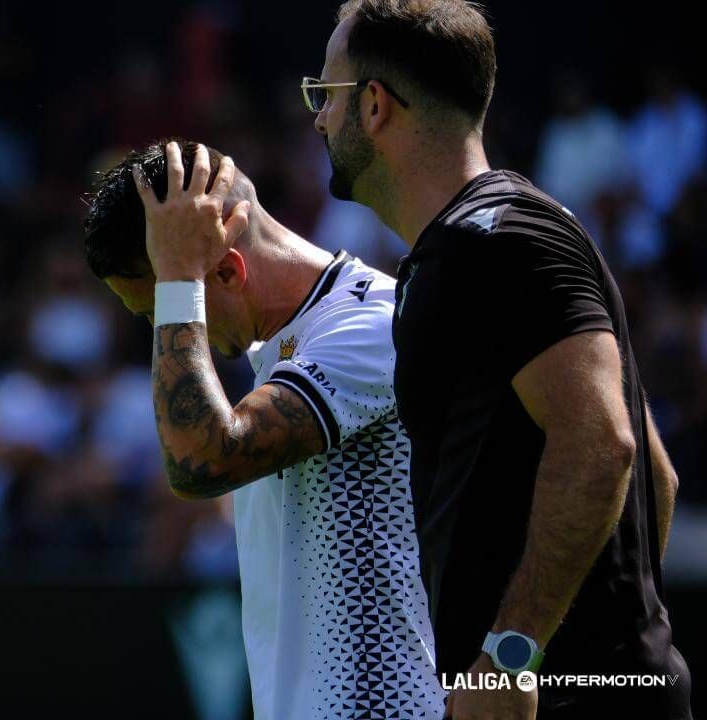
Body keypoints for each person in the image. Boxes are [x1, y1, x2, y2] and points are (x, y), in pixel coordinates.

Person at [306, 1, 691, 718]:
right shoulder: (476, 241)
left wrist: (516, 657)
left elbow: (605, 446)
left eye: (324, 97)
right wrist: (612, 643)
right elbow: (654, 477)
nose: (319, 121)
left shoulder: (496, 240)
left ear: (376, 106)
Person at [84, 139, 446, 719]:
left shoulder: (372, 325)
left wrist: (178, 279)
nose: (163, 330)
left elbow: (200, 460)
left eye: (156, 312)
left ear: (225, 270)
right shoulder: (283, 352)